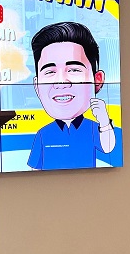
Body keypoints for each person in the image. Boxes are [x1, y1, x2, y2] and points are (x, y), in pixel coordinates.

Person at [28, 21, 115, 170]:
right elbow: (33, 169)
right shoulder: (43, 134)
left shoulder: (94, 128)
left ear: (97, 81)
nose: (61, 82)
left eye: (73, 70)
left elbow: (108, 149)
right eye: (50, 72)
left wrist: (105, 122)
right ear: (37, 87)